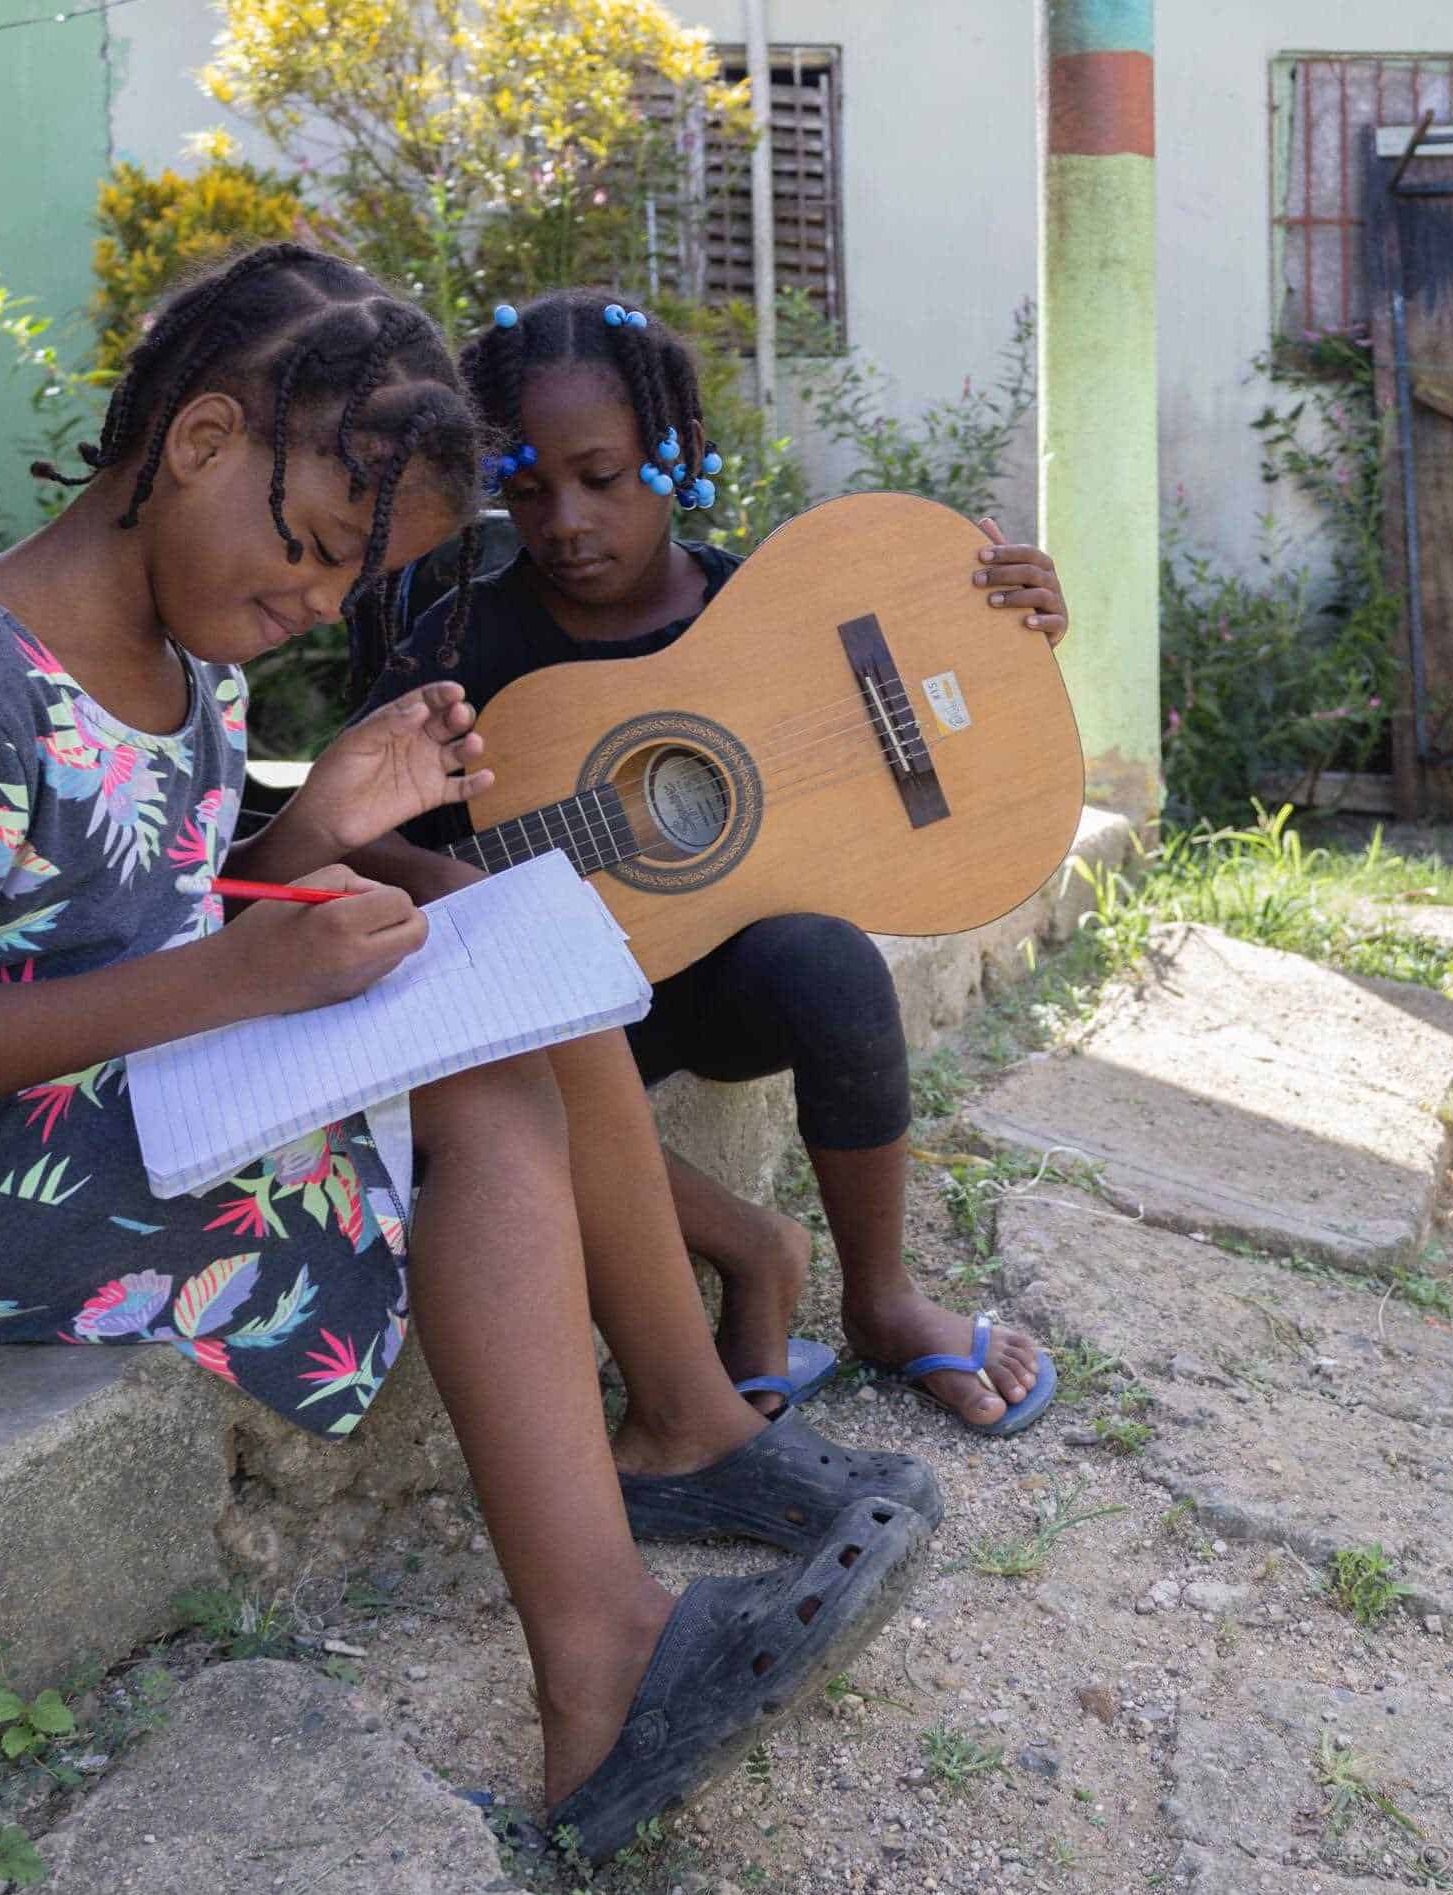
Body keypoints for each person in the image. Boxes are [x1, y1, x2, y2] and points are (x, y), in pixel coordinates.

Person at [0, 244, 928, 1860]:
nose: (313, 605)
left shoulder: (190, 661)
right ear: (199, 442)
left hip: (103, 1086)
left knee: (515, 974)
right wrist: (237, 976)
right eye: (307, 550)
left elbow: (153, 910)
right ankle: (602, 1663)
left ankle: (688, 1427)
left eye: (342, 585)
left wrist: (328, 833)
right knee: (488, 1118)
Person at [350, 288, 1069, 1436]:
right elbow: (337, 830)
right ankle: (752, 1247)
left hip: (720, 990)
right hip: (558, 1024)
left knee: (828, 963)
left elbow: (945, 687)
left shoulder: (765, 612)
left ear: (674, 455)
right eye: (527, 490)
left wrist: (1008, 629)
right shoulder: (461, 643)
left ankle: (882, 1302)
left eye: (604, 475)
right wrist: (445, 882)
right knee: (506, 1071)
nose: (567, 521)